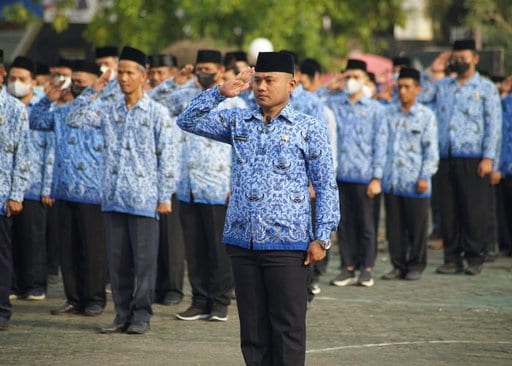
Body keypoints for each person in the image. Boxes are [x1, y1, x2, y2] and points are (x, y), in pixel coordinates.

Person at [177, 51, 340, 366]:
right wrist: (219, 93)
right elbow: (187, 120)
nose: (261, 86)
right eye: (258, 80)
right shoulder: (239, 120)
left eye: (270, 80)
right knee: (252, 331)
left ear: (291, 84)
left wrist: (322, 236)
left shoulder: (309, 127)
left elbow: (325, 185)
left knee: (287, 327)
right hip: (242, 240)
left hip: (289, 243)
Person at [67, 46, 178, 334]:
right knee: (117, 265)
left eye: (131, 73)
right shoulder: (108, 110)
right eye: (121, 73)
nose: (124, 78)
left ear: (144, 76)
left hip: (144, 199)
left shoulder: (157, 112)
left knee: (143, 264)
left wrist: (164, 196)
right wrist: (94, 89)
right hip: (113, 198)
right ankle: (121, 314)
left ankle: (141, 315)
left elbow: (168, 157)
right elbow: (73, 118)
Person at [31, 60, 109, 316]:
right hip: (64, 189)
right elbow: (36, 121)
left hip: (92, 191)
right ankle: (74, 298)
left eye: (80, 81)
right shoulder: (63, 111)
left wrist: (91, 93)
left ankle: (95, 298)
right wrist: (46, 100)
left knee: (92, 249)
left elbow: (79, 112)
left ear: (95, 83)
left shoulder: (104, 109)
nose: (74, 86)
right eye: (73, 81)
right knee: (69, 249)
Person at [174, 50, 245, 322]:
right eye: (199, 67)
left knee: (218, 249)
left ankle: (220, 302)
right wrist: (175, 81)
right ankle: (199, 299)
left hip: (218, 187)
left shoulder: (235, 105)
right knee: (194, 248)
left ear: (219, 70)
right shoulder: (185, 97)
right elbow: (156, 97)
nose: (202, 71)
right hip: (188, 184)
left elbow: (239, 151)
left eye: (207, 67)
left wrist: (233, 184)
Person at [422, 39, 502, 275]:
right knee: (448, 210)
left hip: (474, 157)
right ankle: (452, 257)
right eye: (454, 57)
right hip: (446, 157)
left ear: (475, 58)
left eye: (463, 57)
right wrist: (433, 69)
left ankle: (475, 257)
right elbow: (421, 96)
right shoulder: (443, 86)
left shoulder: (486, 88)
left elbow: (494, 125)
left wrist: (488, 158)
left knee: (473, 210)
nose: (458, 61)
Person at [327, 59, 386, 288]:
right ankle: (348, 267)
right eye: (348, 76)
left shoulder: (375, 110)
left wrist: (377, 177)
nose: (351, 81)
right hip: (340, 176)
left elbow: (380, 144)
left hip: (365, 177)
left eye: (356, 77)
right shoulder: (334, 105)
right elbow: (315, 101)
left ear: (365, 80)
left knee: (366, 226)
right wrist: (332, 84)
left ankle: (367, 268)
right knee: (344, 225)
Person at [380, 67, 439, 281]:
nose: (402, 91)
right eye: (399, 87)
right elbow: (382, 145)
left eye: (407, 87)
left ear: (417, 89)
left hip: (415, 181)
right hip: (392, 180)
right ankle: (398, 265)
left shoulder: (426, 116)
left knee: (416, 228)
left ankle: (416, 265)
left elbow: (431, 150)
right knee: (394, 228)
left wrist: (425, 176)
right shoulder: (388, 113)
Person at [7, 56, 51, 302]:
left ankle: (35, 284)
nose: (16, 84)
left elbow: (50, 149)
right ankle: (12, 284)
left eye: (22, 79)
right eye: (13, 78)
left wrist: (47, 187)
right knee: (9, 240)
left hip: (34, 184)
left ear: (33, 82)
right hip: (7, 185)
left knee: (33, 237)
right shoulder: (5, 106)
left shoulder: (42, 107)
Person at [0, 49, 31, 330]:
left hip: (1, 195)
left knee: (2, 255)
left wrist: (16, 194)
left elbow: (23, 154)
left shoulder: (14, 109)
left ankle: (2, 311)